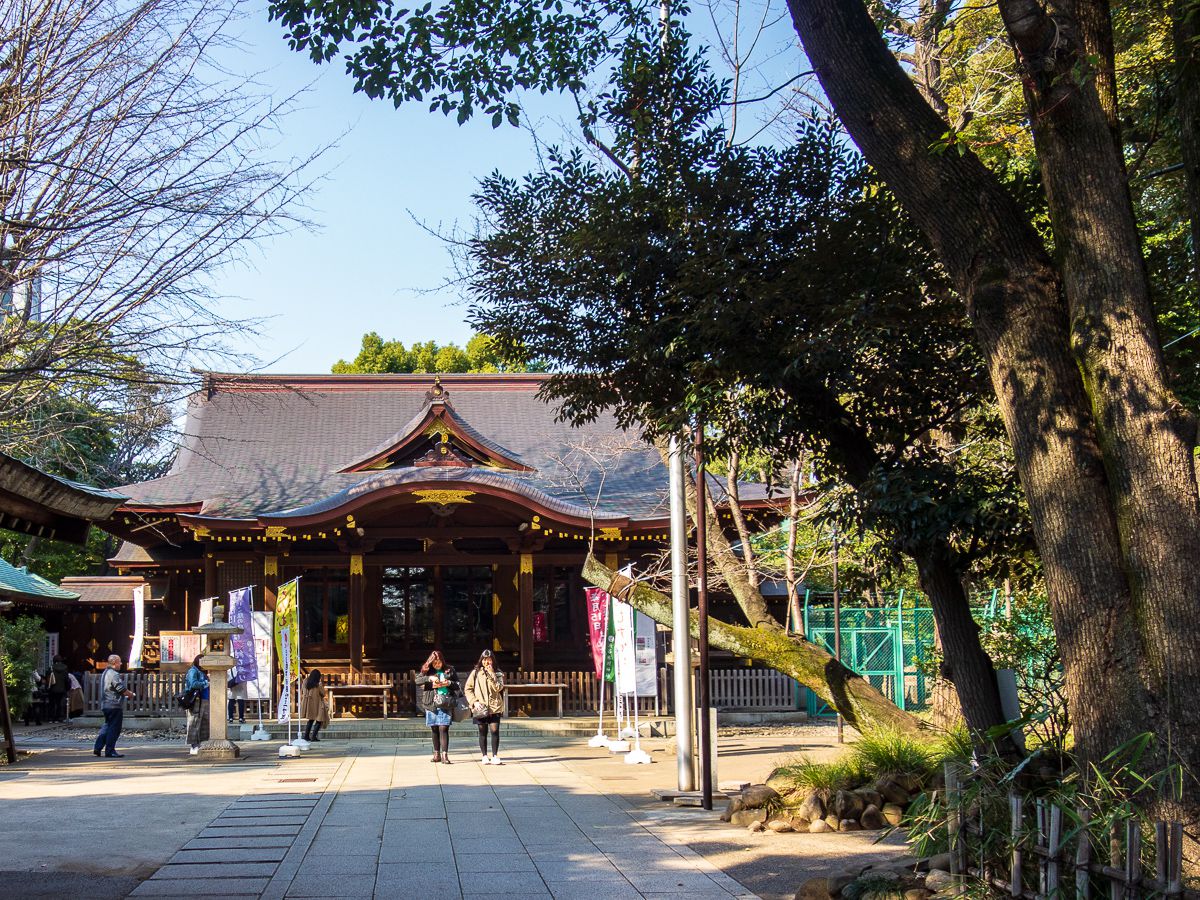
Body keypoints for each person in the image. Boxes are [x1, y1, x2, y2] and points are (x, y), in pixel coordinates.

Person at [416, 650, 458, 763]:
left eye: (439, 662)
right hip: (431, 702)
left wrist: (448, 683)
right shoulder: (427, 670)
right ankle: (436, 754)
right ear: (431, 662)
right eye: (435, 662)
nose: (437, 664)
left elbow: (457, 685)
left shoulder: (449, 670)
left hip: (446, 702)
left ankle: (445, 755)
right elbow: (417, 680)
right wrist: (430, 679)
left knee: (444, 728)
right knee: (434, 728)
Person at [464, 649, 505, 765]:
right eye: (485, 660)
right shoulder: (475, 673)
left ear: (493, 660)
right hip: (480, 706)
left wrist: (492, 674)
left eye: (489, 660)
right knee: (482, 731)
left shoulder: (498, 673)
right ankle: (484, 755)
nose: (487, 662)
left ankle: (495, 755)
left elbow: (498, 688)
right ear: (481, 661)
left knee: (495, 730)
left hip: (494, 706)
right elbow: (468, 689)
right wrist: (474, 702)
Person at [93, 655, 134, 758]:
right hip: (114, 704)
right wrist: (130, 694)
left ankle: (98, 747)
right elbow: (120, 688)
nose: (121, 664)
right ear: (115, 662)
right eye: (119, 662)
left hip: (105, 704)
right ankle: (110, 750)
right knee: (114, 728)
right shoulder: (114, 674)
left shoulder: (105, 673)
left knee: (107, 726)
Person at [184, 654, 210, 755]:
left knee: (204, 722)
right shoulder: (193, 671)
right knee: (194, 722)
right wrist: (205, 683)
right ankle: (194, 745)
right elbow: (193, 684)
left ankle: (202, 744)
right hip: (196, 700)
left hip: (205, 699)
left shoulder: (202, 672)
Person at [300, 670, 329, 742]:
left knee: (311, 720)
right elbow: (322, 693)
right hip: (318, 704)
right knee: (319, 720)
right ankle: (313, 737)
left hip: (308, 704)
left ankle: (306, 736)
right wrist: (320, 685)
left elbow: (303, 691)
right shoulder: (318, 684)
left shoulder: (305, 682)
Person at [45, 655, 70, 722]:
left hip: (52, 689)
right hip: (62, 689)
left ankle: (51, 718)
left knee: (52, 704)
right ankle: (58, 718)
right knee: (59, 704)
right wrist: (67, 688)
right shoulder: (65, 668)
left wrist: (47, 687)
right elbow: (67, 679)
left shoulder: (51, 668)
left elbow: (47, 679)